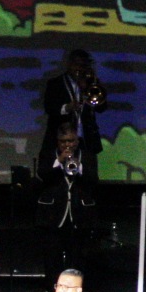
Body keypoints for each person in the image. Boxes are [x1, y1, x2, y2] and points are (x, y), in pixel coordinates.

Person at [35, 117, 99, 276]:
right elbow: (42, 176)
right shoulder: (47, 155)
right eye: (63, 141)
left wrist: (79, 166)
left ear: (77, 140)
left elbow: (93, 181)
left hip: (79, 216)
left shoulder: (88, 156)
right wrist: (59, 161)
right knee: (51, 260)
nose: (67, 145)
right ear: (58, 141)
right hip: (53, 216)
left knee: (77, 260)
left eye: (71, 141)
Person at [43, 48, 106, 160]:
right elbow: (49, 108)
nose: (79, 69)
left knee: (89, 174)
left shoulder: (92, 83)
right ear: (69, 64)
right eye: (77, 65)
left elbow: (102, 107)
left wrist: (86, 88)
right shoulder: (55, 83)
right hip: (62, 141)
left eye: (83, 66)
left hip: (86, 140)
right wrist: (68, 107)